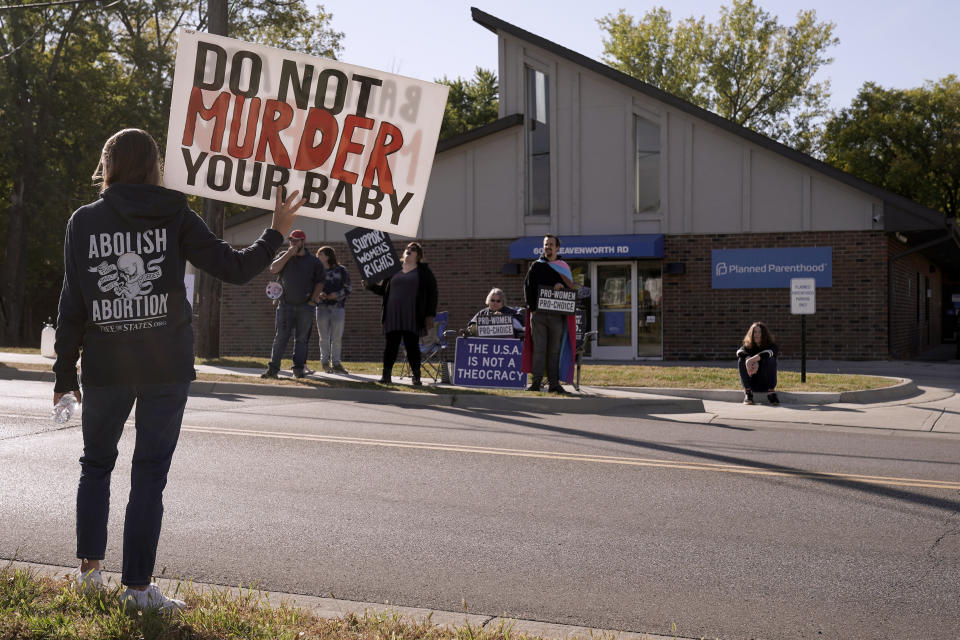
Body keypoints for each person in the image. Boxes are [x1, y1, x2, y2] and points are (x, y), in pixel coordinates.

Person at [52, 128, 305, 611]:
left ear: (107, 166)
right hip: (165, 366)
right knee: (149, 474)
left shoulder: (83, 221)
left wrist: (65, 374)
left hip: (105, 365)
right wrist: (274, 228)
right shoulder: (174, 212)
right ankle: (139, 591)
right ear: (153, 166)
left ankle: (88, 575)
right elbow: (234, 267)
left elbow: (73, 304)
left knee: (95, 465)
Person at [364, 242, 438, 386]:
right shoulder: (394, 269)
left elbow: (432, 294)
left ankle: (416, 376)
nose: (409, 250)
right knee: (391, 345)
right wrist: (370, 286)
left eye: (413, 249)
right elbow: (383, 290)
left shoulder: (424, 271)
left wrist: (430, 314)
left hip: (412, 315)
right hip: (393, 314)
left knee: (412, 346)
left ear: (419, 255)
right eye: (407, 249)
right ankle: (386, 376)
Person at [261, 229, 325, 379]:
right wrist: (289, 254)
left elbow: (320, 281)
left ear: (303, 242)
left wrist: (313, 300)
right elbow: (273, 269)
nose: (293, 243)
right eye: (291, 240)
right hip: (285, 305)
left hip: (305, 306)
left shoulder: (313, 261)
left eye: (296, 241)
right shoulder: (284, 256)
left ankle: (298, 369)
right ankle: (273, 370)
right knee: (280, 337)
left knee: (302, 339)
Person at [522, 234, 577, 393]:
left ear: (557, 248)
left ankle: (554, 384)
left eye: (551, 244)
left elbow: (571, 292)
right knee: (539, 349)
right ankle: (536, 383)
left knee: (554, 351)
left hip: (557, 316)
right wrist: (533, 308)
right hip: (538, 315)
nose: (548, 247)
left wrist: (562, 288)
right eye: (546, 244)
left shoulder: (564, 267)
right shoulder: (536, 266)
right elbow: (527, 288)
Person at [314, 246, 351, 374]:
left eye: (320, 254)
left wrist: (336, 295)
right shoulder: (317, 271)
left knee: (336, 337)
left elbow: (348, 288)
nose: (318, 257)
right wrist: (319, 294)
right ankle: (324, 362)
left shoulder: (342, 270)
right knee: (323, 337)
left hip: (338, 308)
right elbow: (312, 286)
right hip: (322, 307)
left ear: (328, 256)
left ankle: (336, 363)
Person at [737, 321, 780, 405]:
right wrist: (748, 359)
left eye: (759, 332)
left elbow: (767, 353)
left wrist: (752, 361)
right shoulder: (748, 346)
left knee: (770, 359)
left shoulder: (772, 346)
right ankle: (748, 394)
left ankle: (771, 394)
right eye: (754, 332)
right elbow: (739, 352)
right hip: (752, 383)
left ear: (764, 334)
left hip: (766, 384)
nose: (756, 334)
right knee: (741, 360)